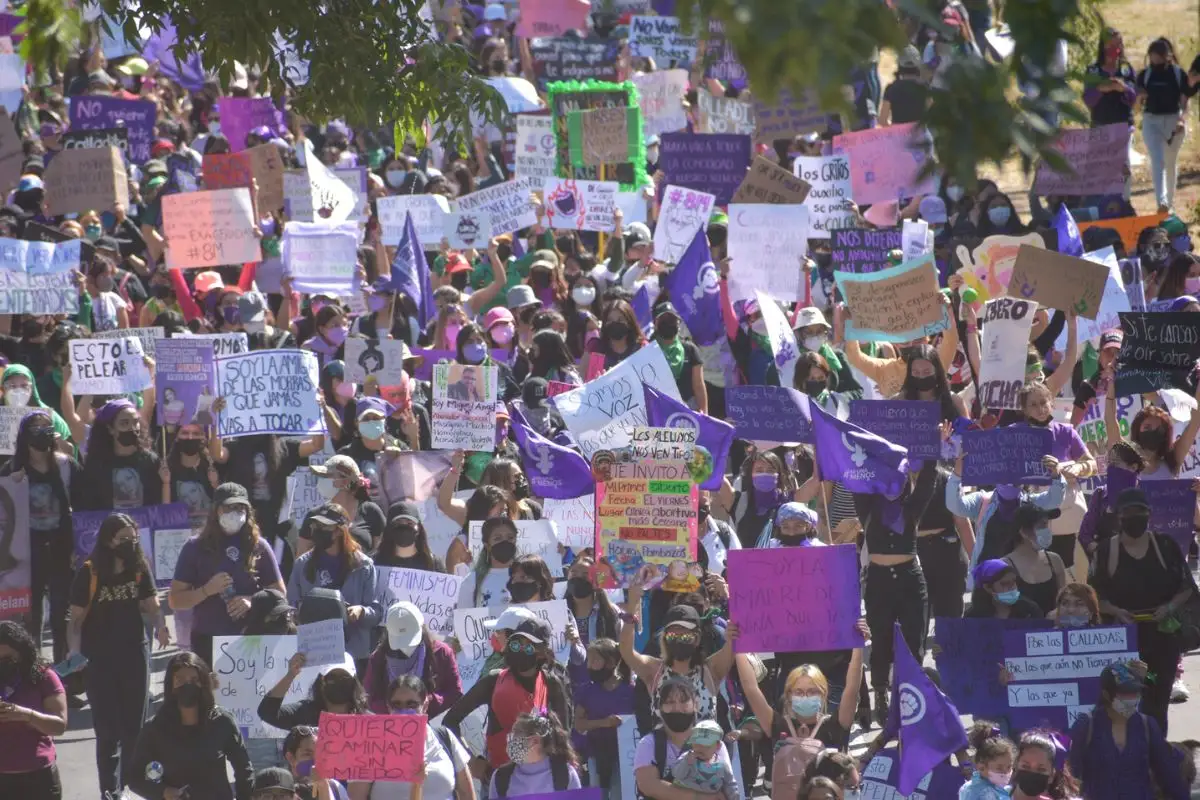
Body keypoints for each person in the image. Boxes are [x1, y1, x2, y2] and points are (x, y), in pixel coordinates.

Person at [66, 512, 170, 799]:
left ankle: (131, 786)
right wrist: (74, 651)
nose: (129, 543)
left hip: (135, 653)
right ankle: (108, 790)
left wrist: (161, 625)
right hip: (98, 658)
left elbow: (150, 603)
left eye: (133, 538)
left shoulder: (139, 567)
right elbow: (75, 619)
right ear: (108, 540)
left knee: (134, 727)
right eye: (123, 539)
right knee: (107, 729)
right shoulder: (91, 570)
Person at [1090, 488, 1196, 733]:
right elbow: (1094, 596)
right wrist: (1116, 611)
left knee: (1157, 703)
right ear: (1119, 517)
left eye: (1140, 511)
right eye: (1129, 512)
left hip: (1161, 640)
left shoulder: (1165, 545)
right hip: (1123, 642)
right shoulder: (1105, 551)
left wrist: (1169, 607)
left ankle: (1156, 756)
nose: (1135, 517)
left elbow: (1186, 587)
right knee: (1123, 704)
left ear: (1149, 514)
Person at [735, 623, 869, 797]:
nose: (805, 696)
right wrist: (738, 646)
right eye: (799, 692)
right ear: (789, 695)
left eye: (812, 691)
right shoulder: (778, 725)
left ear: (823, 694)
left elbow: (851, 687)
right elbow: (751, 688)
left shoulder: (835, 725)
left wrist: (858, 646)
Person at [169, 482, 287, 668]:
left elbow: (279, 593)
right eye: (229, 507)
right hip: (208, 639)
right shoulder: (194, 547)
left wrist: (252, 600)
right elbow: (175, 600)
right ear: (216, 511)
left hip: (251, 638)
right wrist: (206, 590)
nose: (235, 512)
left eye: (240, 508)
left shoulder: (259, 546)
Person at [0, 411, 81, 670]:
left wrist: (78, 546)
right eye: (35, 427)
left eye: (46, 426)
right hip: (25, 554)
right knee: (29, 618)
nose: (41, 431)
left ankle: (63, 677)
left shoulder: (68, 466)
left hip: (61, 550)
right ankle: (30, 677)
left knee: (62, 616)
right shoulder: (10, 471)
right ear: (24, 435)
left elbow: (84, 509)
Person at [442, 618, 571, 770]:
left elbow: (563, 734)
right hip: (497, 777)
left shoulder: (551, 683)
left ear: (542, 654)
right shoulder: (493, 680)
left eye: (529, 648)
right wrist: (471, 760)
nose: (520, 651)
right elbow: (449, 722)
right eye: (516, 645)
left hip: (539, 777)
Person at [128, 651, 254, 800]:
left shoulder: (222, 721)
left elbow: (244, 769)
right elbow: (135, 778)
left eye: (194, 680)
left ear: (204, 683)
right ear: (171, 684)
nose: (187, 685)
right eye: (180, 680)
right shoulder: (155, 728)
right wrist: (163, 791)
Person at [1068, 662, 1188, 799]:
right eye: (1125, 693)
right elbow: (1071, 774)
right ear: (1107, 695)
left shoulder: (1147, 726)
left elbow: (1169, 775)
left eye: (1136, 692)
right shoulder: (1086, 726)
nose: (1132, 698)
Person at [286, 502, 382, 671]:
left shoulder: (364, 566)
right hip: (314, 652)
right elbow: (291, 606)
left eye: (324, 527)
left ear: (339, 531)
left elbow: (376, 612)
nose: (317, 531)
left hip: (353, 654)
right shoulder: (302, 564)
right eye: (315, 526)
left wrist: (361, 611)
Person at [350, 675, 474, 800]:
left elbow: (467, 794)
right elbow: (355, 797)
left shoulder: (445, 738)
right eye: (396, 705)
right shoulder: (371, 748)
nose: (404, 711)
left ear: (425, 706)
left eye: (412, 705)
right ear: (388, 707)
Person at [619, 597, 737, 728]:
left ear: (697, 638)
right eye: (672, 636)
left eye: (686, 636)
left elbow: (734, 644)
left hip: (704, 748)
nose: (679, 640)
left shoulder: (711, 669)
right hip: (664, 747)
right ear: (664, 639)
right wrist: (631, 610)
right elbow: (626, 650)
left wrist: (732, 634)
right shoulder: (654, 670)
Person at [633, 677, 741, 800]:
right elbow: (649, 786)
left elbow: (728, 784)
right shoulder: (649, 744)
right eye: (670, 702)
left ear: (695, 705)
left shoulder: (714, 743)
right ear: (660, 707)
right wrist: (701, 797)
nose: (677, 708)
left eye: (684, 701)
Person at [0, 621, 68, 798]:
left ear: (23, 653)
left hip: (38, 777)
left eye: (8, 659)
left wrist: (26, 715)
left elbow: (59, 726)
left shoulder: (44, 677)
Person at [363, 602, 462, 717]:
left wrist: (425, 703)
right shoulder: (379, 658)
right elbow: (368, 697)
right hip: (389, 725)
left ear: (421, 627)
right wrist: (394, 708)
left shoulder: (441, 653)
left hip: (432, 720)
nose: (406, 647)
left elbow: (455, 691)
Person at [573, 637, 635, 798]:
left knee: (619, 794)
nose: (589, 666)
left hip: (625, 757)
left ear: (611, 662)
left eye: (595, 661)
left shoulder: (631, 690)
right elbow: (579, 724)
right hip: (597, 755)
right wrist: (604, 723)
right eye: (589, 660)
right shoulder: (587, 691)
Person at [77, 398, 162, 511]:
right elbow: (88, 504)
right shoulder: (95, 464)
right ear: (110, 428)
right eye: (124, 423)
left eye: (136, 422)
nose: (132, 428)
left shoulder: (151, 460)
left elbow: (157, 503)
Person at [1136, 37, 1190, 213]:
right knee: (1157, 160)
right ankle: (1162, 202)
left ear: (1167, 56)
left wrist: (1182, 119)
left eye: (1159, 55)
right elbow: (1137, 106)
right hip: (1152, 121)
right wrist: (1139, 98)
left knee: (1170, 163)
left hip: (1173, 122)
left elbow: (1184, 100)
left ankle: (1170, 204)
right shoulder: (1145, 75)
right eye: (1152, 56)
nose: (1155, 59)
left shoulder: (1177, 74)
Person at [258, 652, 366, 731]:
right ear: (321, 681)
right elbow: (267, 713)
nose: (338, 682)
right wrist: (290, 675)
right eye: (332, 677)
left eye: (344, 677)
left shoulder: (367, 722)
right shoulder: (306, 713)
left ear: (354, 682)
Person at [1001, 504, 1068, 617]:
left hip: (1052, 632)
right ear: (1024, 532)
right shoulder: (1004, 565)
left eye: (1047, 525)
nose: (1047, 530)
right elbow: (1003, 610)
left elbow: (1064, 602)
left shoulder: (1055, 560)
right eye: (1042, 526)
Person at [457, 515, 521, 608]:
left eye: (510, 537)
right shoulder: (472, 581)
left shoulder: (527, 576)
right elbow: (464, 619)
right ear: (487, 545)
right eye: (497, 538)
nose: (505, 542)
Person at [653, 302, 707, 413]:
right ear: (655, 323)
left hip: (689, 410)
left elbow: (699, 385)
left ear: (678, 323)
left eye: (671, 321)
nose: (668, 324)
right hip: (660, 410)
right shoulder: (648, 350)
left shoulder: (690, 349)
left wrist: (705, 413)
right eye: (664, 321)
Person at [668, 719, 737, 800]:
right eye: (697, 744)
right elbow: (676, 774)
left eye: (706, 745)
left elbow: (730, 784)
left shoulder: (722, 765)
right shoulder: (688, 757)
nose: (700, 748)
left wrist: (734, 797)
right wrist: (686, 762)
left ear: (717, 746)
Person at [1085, 27, 1138, 127]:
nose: (1114, 48)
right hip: (1100, 127)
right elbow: (1088, 100)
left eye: (1117, 44)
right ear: (1103, 46)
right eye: (1110, 44)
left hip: (1124, 127)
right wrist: (1100, 89)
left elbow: (1135, 99)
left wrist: (1124, 88)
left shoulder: (1126, 69)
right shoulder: (1093, 71)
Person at [372, 501, 446, 572]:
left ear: (419, 528)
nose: (404, 527)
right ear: (389, 528)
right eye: (398, 523)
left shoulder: (433, 564)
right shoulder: (374, 563)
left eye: (410, 523)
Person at [1008, 730, 1079, 800]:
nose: (1032, 774)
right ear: (1015, 765)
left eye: (1041, 769)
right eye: (1025, 766)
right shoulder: (998, 795)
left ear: (1051, 775)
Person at [966, 559, 1047, 619]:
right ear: (987, 587)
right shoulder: (973, 617)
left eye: (1014, 581)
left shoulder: (1029, 611)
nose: (1013, 587)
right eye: (1005, 584)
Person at [959, 722, 1016, 800]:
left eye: (1009, 766)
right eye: (999, 768)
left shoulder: (969, 786)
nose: (1006, 772)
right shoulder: (986, 794)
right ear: (981, 767)